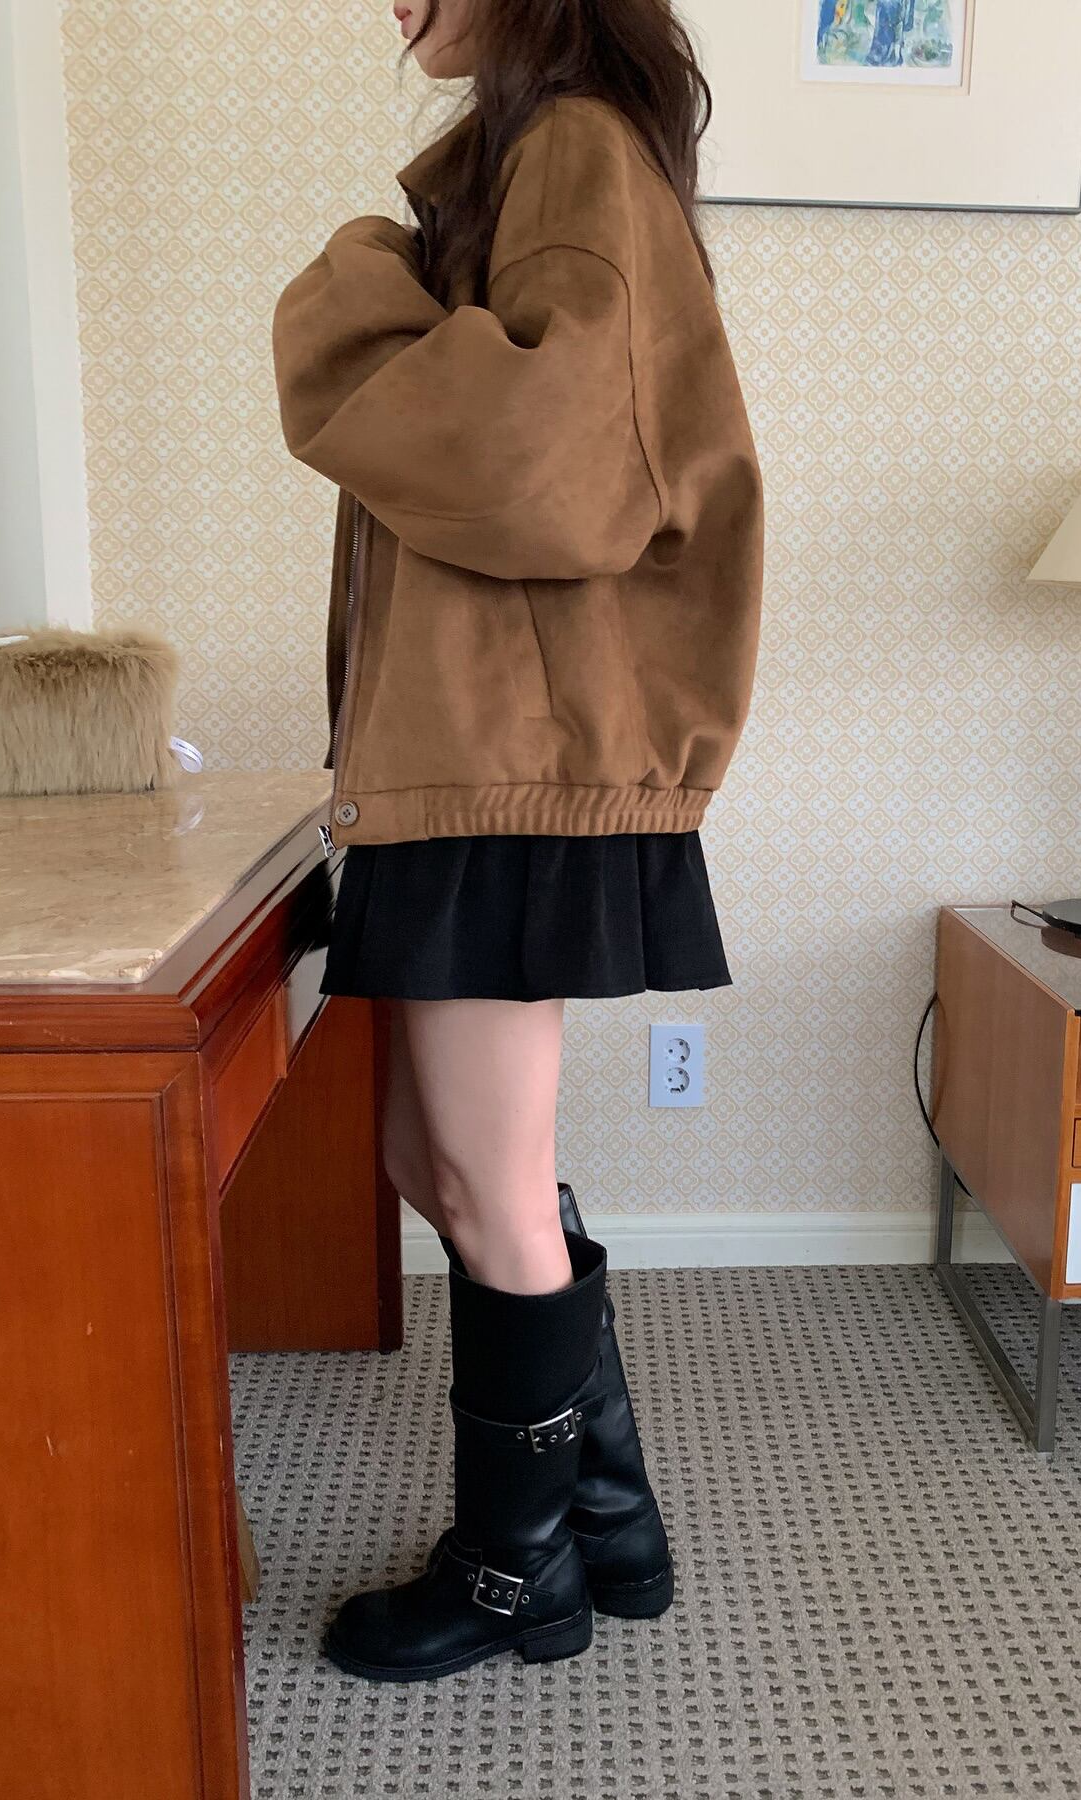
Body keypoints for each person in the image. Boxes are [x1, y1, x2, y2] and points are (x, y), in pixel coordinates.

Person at [271, 0, 763, 1684]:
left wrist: (355, 281)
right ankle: (604, 1521)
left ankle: (516, 1575)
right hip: (477, 755)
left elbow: (549, 467)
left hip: (511, 764)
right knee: (440, 1162)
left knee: (479, 1177)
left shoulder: (572, 147)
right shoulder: (535, 153)